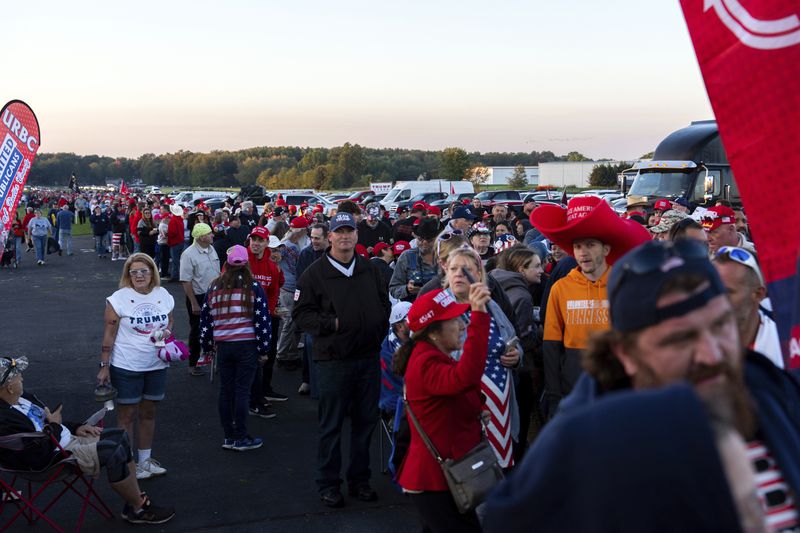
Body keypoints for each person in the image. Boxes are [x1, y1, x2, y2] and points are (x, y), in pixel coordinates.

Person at [485, 239, 800, 533]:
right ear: (626, 354)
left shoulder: (765, 384)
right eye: (680, 339)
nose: (711, 353)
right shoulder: (586, 444)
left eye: (721, 325)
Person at [0, 357, 176, 524]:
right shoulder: (5, 420)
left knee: (120, 437)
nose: (21, 377)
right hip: (52, 460)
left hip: (62, 442)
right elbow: (35, 454)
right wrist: (54, 426)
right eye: (17, 376)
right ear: (9, 387)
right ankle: (139, 509)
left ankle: (134, 502)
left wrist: (76, 427)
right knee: (113, 450)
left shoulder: (23, 399)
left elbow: (44, 423)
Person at [293, 212, 391, 508]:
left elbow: (383, 303)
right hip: (334, 361)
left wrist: (378, 324)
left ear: (357, 236)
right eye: (340, 232)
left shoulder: (369, 269)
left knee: (365, 424)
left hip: (368, 359)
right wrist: (332, 325)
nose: (345, 236)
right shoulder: (314, 273)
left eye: (350, 231)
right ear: (330, 236)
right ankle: (329, 483)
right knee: (331, 425)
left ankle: (360, 479)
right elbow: (301, 315)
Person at [530, 196, 649, 418]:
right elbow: (551, 346)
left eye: (590, 245)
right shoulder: (560, 289)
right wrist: (555, 396)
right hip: (573, 391)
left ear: (605, 249)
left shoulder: (624, 284)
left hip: (618, 391)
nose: (583, 252)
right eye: (577, 246)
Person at [394, 286, 491, 533]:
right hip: (435, 481)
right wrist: (479, 316)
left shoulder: (432, 356)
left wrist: (475, 411)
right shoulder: (426, 361)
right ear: (434, 331)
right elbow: (466, 378)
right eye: (455, 319)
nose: (462, 325)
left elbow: (456, 395)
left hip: (445, 479)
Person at [441, 247, 521, 468]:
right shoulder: (439, 307)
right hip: (461, 402)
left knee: (497, 468)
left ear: (478, 274)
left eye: (465, 269)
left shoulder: (490, 304)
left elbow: (512, 337)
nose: (458, 274)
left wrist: (516, 355)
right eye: (454, 268)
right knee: (471, 471)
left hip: (499, 399)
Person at [97, 253, 173, 480]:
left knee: (149, 412)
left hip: (157, 364)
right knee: (126, 416)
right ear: (128, 275)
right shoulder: (118, 299)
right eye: (134, 272)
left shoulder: (164, 295)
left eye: (144, 271)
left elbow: (169, 320)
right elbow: (109, 334)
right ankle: (127, 464)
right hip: (127, 365)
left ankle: (145, 461)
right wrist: (104, 365)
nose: (139, 275)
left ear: (152, 273)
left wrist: (167, 333)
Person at [200, 245, 272, 451]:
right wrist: (264, 348)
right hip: (246, 346)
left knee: (226, 390)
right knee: (242, 391)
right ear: (246, 262)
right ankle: (241, 437)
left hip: (224, 346)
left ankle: (228, 436)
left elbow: (205, 320)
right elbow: (263, 319)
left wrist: (207, 346)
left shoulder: (214, 287)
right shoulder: (254, 286)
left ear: (227, 263)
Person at [489, 246, 545, 458]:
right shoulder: (522, 296)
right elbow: (523, 339)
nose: (542, 270)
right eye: (537, 266)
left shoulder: (496, 283)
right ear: (521, 269)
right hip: (519, 369)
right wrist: (539, 331)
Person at [713, 246, 783, 368]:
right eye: (712, 289)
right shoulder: (694, 347)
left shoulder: (786, 347)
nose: (715, 300)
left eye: (727, 292)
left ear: (758, 294)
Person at [246, 227, 285, 415]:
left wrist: (268, 313)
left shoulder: (271, 265)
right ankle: (253, 399)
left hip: (264, 317)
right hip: (242, 319)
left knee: (267, 355)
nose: (256, 243)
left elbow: (274, 290)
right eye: (253, 239)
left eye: (260, 240)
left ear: (266, 243)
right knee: (250, 360)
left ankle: (263, 392)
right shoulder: (241, 258)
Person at [179, 223, 221, 376]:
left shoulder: (211, 248)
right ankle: (193, 363)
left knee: (217, 328)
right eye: (209, 233)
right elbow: (186, 281)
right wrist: (193, 303)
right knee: (197, 331)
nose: (212, 235)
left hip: (215, 295)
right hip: (198, 296)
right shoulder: (188, 254)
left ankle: (214, 360)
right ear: (202, 237)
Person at [296, 223, 330, 395]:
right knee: (309, 343)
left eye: (317, 238)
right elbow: (301, 281)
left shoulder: (333, 253)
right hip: (312, 306)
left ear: (327, 237)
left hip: (331, 306)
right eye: (312, 237)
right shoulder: (306, 253)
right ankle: (307, 380)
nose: (313, 241)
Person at [275, 217, 308, 370]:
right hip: (288, 289)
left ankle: (291, 354)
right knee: (290, 322)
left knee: (295, 322)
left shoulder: (289, 244)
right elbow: (274, 258)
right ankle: (282, 355)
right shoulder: (289, 246)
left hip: (293, 288)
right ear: (301, 232)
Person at [389, 217, 439, 303]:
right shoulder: (407, 257)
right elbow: (394, 289)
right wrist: (407, 289)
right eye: (420, 239)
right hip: (414, 307)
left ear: (437, 239)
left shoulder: (445, 256)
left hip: (442, 307)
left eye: (429, 240)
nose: (424, 243)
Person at [378, 301, 411, 414]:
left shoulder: (417, 340)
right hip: (398, 404)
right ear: (400, 326)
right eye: (410, 319)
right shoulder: (387, 352)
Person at [167, 204, 185, 281]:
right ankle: (178, 275)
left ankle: (175, 276)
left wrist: (167, 234)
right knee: (178, 260)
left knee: (175, 260)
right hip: (180, 241)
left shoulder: (173, 220)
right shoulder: (180, 220)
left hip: (175, 242)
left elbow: (173, 232)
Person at [156, 205, 171, 278]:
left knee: (166, 258)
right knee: (163, 258)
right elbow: (164, 234)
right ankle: (163, 273)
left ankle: (165, 272)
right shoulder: (163, 223)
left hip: (166, 242)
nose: (160, 211)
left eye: (161, 209)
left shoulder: (166, 221)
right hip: (163, 242)